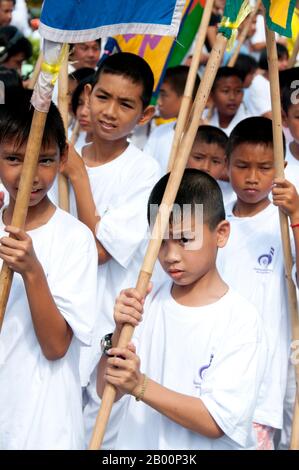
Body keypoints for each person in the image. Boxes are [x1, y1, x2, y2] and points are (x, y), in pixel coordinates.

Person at [96, 169, 266, 450]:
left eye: (185, 240)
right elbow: (107, 391)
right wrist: (116, 334)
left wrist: (140, 385)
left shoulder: (241, 321)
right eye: (161, 241)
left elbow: (218, 421)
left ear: (221, 233)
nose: (171, 255)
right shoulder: (145, 303)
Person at [54, 52, 161, 442]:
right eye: (102, 97)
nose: (110, 112)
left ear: (145, 115)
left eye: (126, 104)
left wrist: (79, 176)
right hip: (57, 319)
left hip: (108, 324)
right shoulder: (58, 160)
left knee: (96, 432)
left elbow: (98, 252)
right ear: (86, 94)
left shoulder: (144, 172)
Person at [0, 90, 98, 449]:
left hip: (43, 425)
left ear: (63, 159)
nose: (30, 176)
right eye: (13, 158)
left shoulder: (75, 240)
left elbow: (56, 345)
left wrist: (32, 271)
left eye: (44, 160)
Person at [216, 116, 299, 450]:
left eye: (265, 168)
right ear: (226, 164)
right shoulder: (214, 216)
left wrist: (296, 217)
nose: (252, 178)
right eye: (242, 165)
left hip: (263, 376)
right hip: (214, 365)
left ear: (280, 167)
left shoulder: (283, 221)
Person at [144, 65, 200, 173]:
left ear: (186, 98)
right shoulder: (159, 132)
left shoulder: (205, 137)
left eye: (164, 95)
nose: (159, 102)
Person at [186, 125, 235, 205]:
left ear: (225, 164)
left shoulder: (231, 198)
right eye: (198, 158)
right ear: (184, 156)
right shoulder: (167, 189)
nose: (205, 167)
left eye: (215, 161)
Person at [204, 67, 249, 136]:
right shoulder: (201, 119)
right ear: (212, 94)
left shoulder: (250, 125)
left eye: (238, 91)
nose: (232, 97)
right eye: (226, 91)